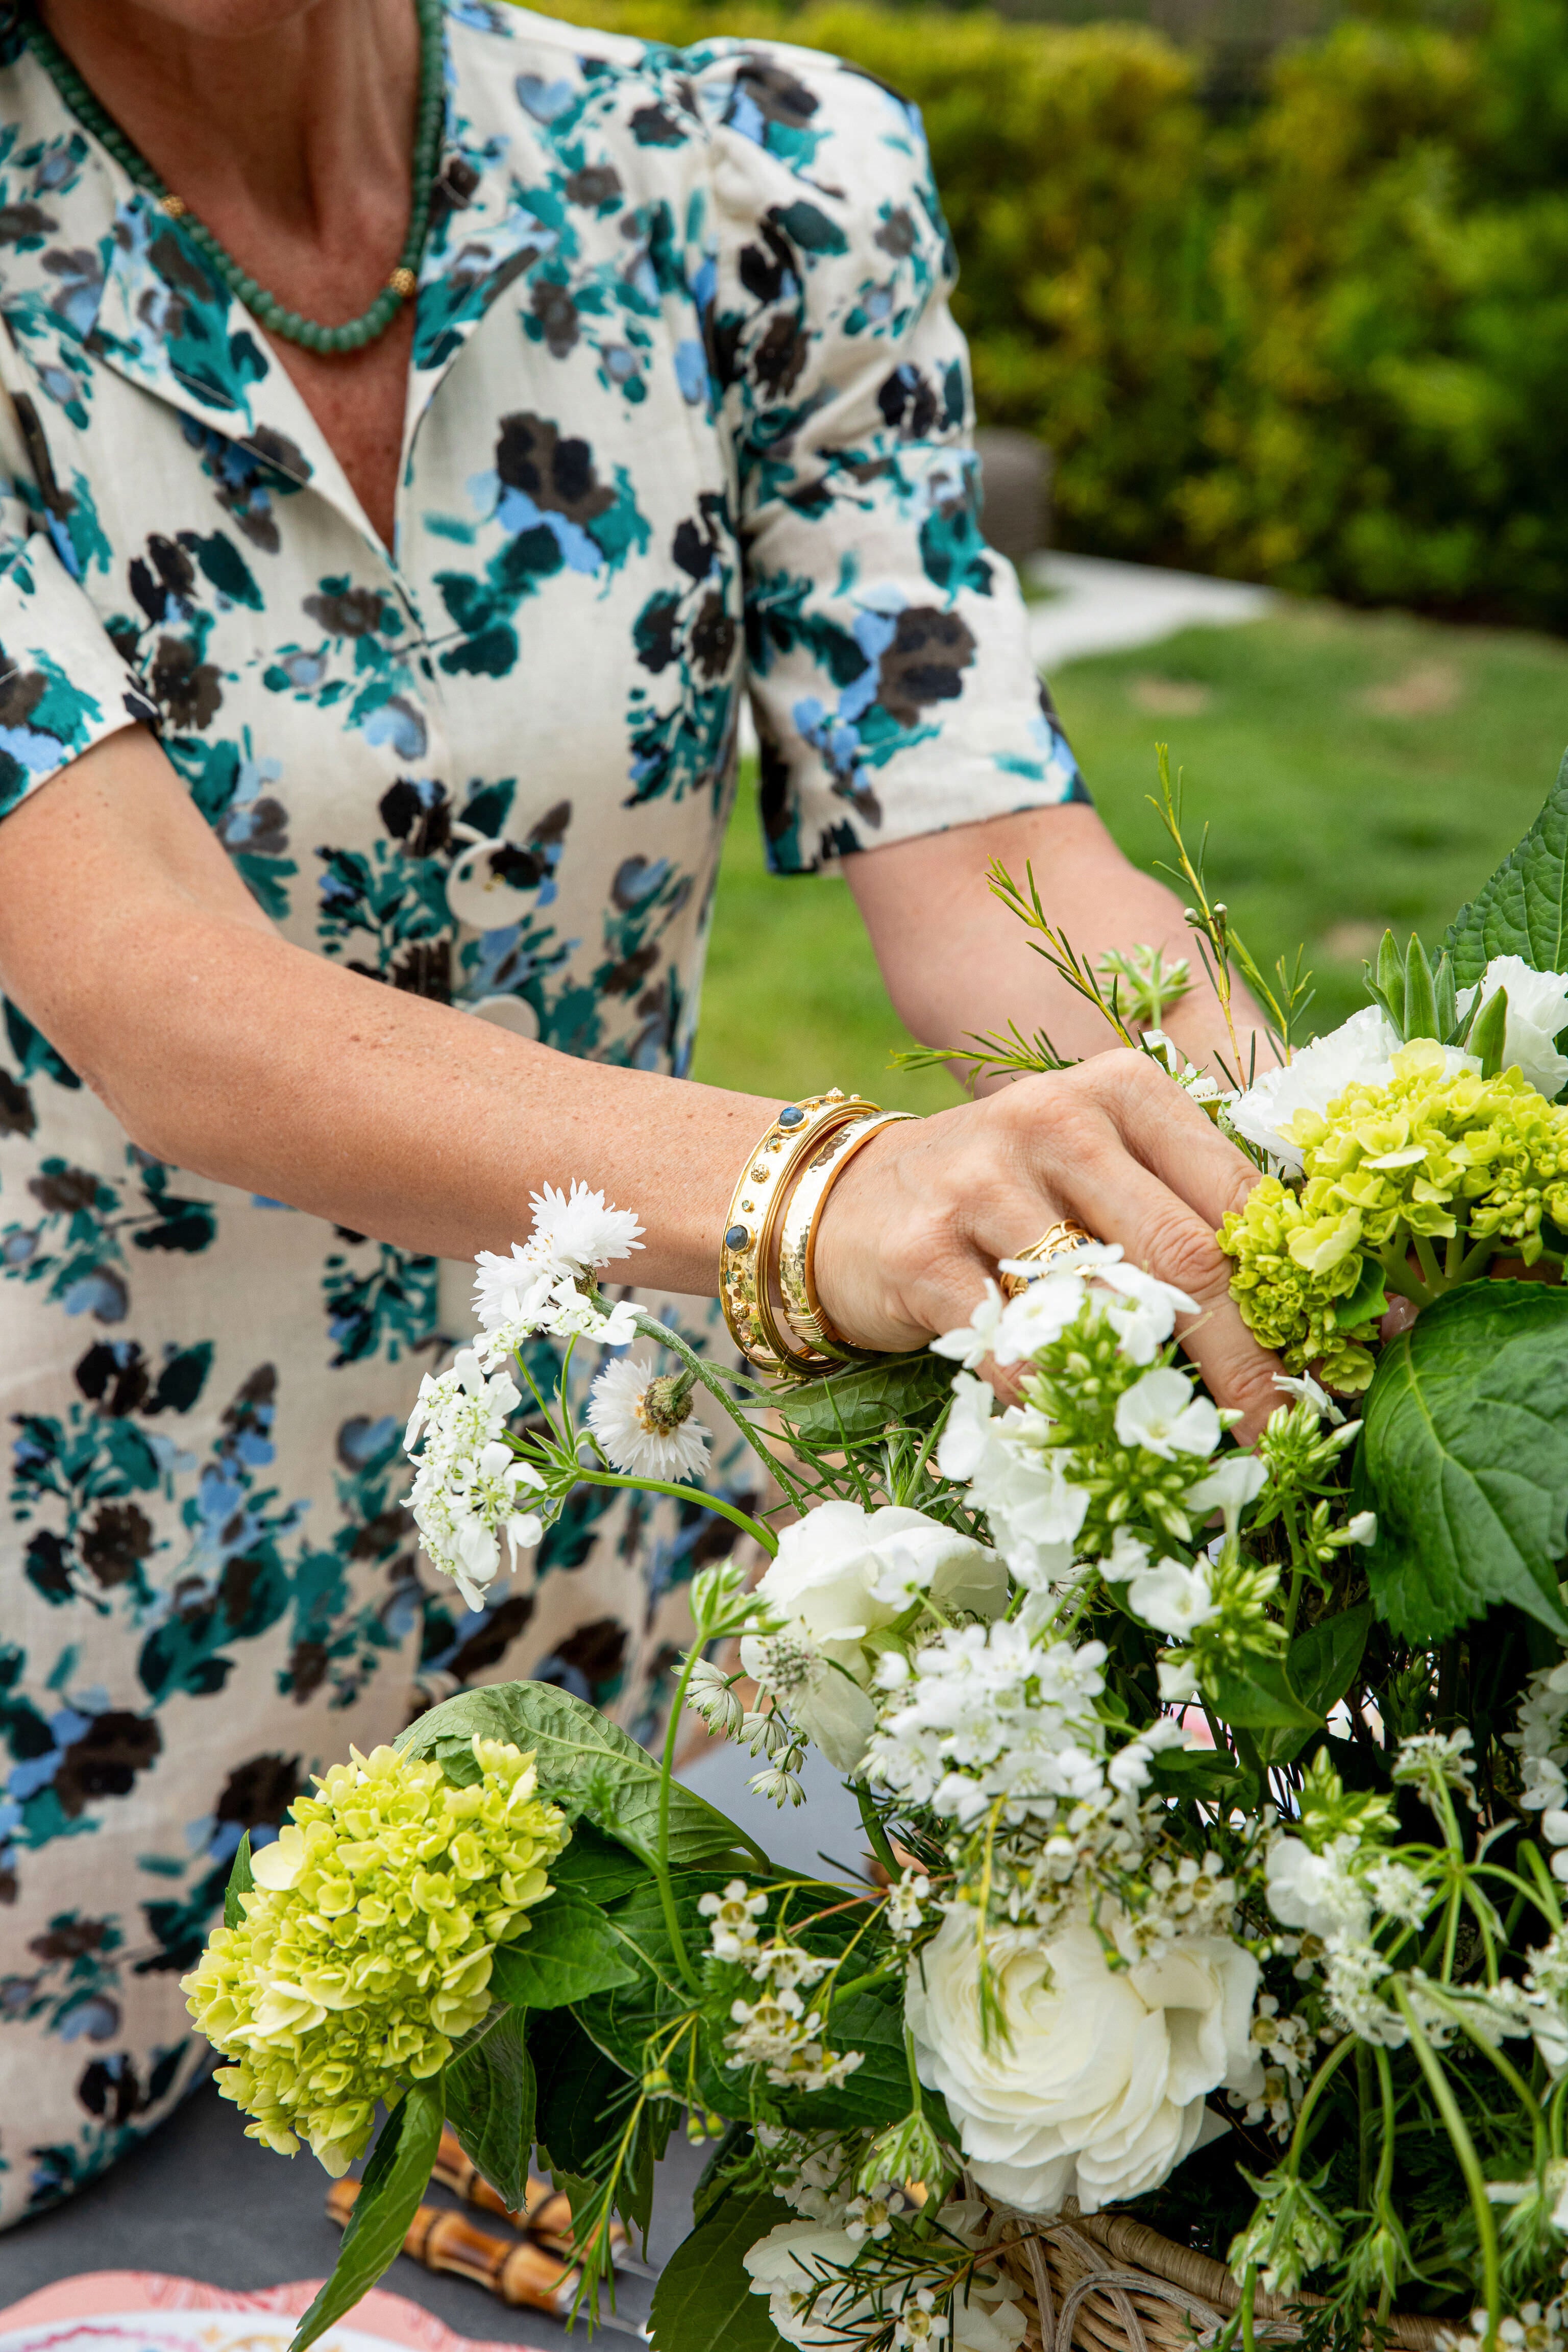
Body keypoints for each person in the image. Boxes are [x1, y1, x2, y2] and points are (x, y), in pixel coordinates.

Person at [0, 0, 1275, 2224]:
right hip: (52, 1759)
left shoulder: (747, 180)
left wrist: (1307, 1211)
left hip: (568, 1701)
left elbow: (978, 846)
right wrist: (829, 1202)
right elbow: (159, 992)